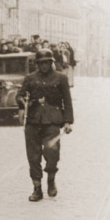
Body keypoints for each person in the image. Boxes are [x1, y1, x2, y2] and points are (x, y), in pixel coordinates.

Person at [16, 49, 73, 202]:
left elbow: (67, 101)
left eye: (47, 62)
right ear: (38, 64)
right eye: (41, 63)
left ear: (51, 62)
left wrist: (67, 121)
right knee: (33, 156)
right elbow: (20, 95)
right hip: (33, 121)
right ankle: (37, 188)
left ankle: (51, 180)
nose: (44, 65)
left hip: (53, 121)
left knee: (52, 153)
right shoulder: (30, 78)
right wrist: (22, 101)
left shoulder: (61, 78)